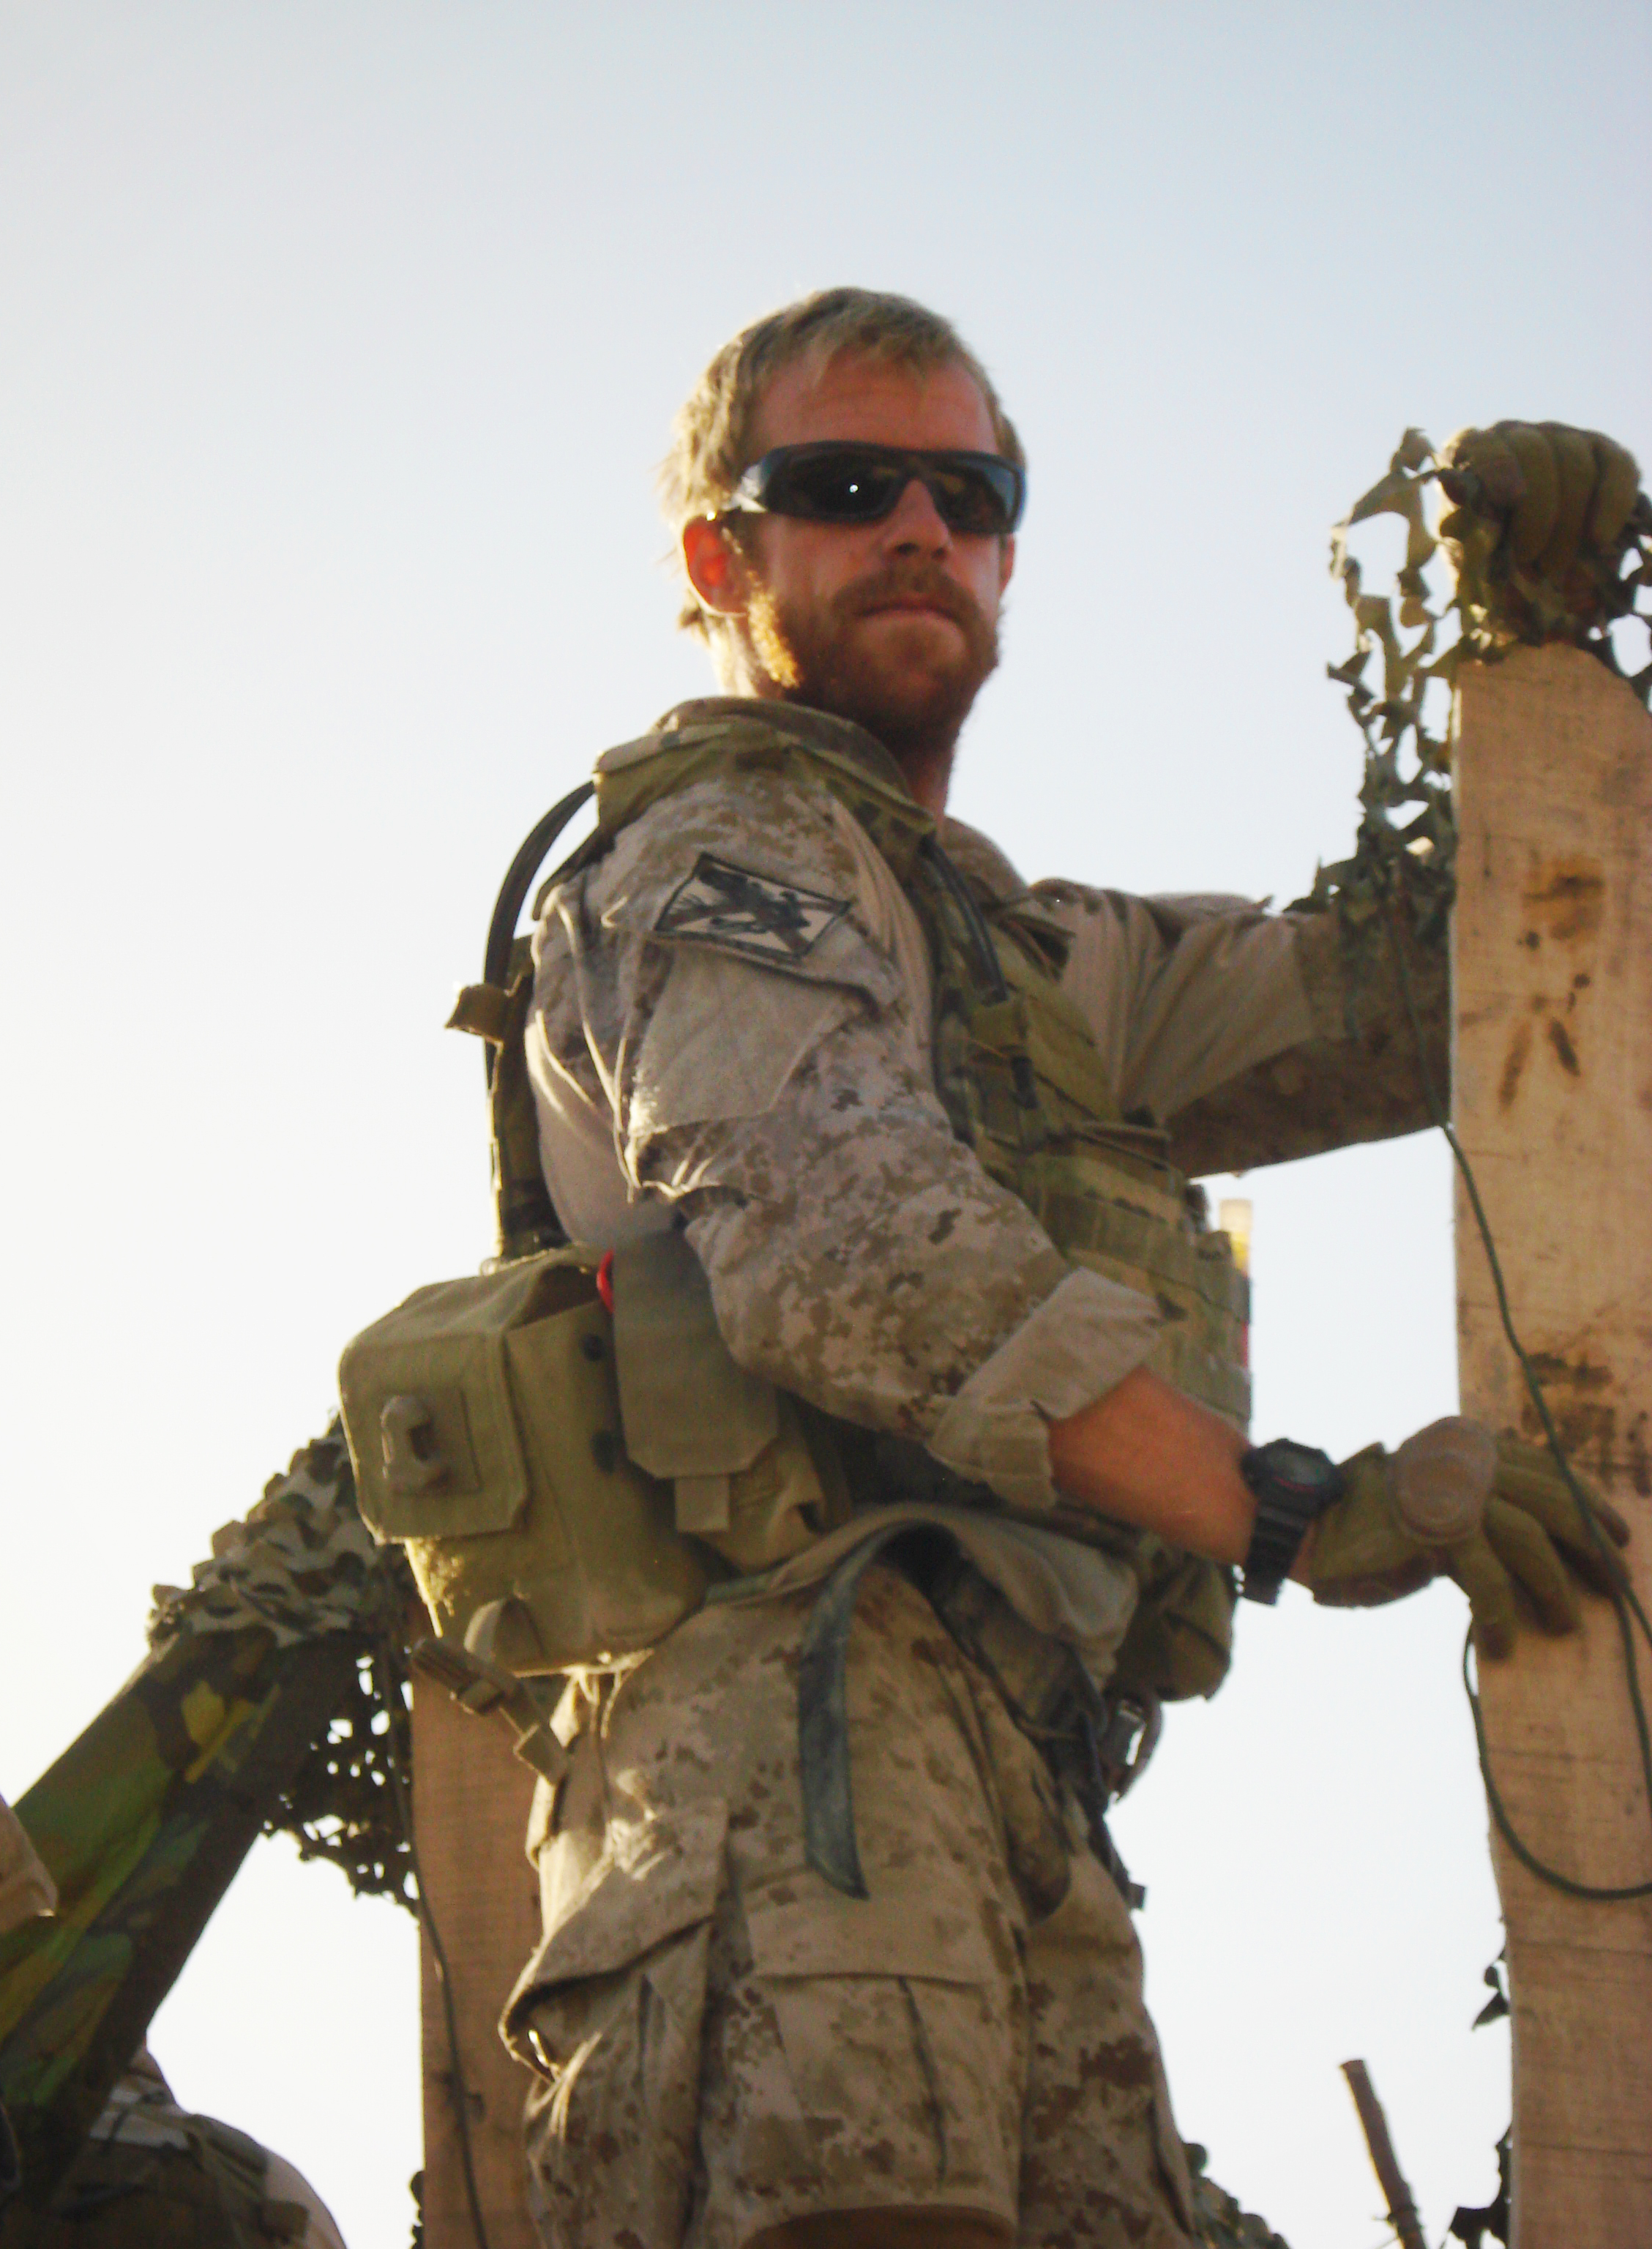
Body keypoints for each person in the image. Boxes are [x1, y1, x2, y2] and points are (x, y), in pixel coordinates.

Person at [487, 291, 1630, 2249]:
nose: (921, 530)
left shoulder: (1021, 959)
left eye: (970, 490)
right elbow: (848, 1246)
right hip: (776, 1769)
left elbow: (1442, 983)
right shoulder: (707, 855)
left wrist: (1531, 665)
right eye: (845, 486)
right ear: (720, 556)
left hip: (1017, 1785)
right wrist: (1289, 1511)